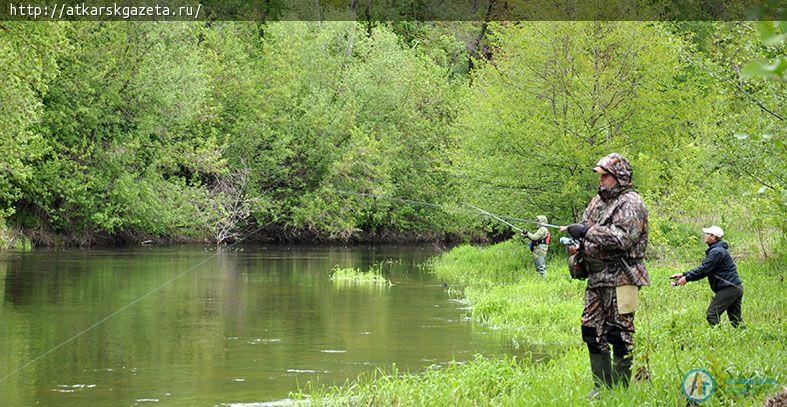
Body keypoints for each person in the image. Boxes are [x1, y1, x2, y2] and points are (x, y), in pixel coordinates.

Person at [561, 153, 650, 398]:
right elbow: (587, 231)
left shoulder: (631, 203)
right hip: (596, 278)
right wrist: (577, 242)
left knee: (619, 333)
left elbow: (621, 238)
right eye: (600, 175)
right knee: (590, 330)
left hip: (623, 277)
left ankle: (620, 390)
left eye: (606, 175)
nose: (601, 180)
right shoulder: (596, 202)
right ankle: (601, 387)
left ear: (620, 177)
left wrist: (588, 231)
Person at [670, 226, 743, 327]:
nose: (705, 236)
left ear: (713, 237)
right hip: (734, 287)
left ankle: (718, 340)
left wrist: (687, 278)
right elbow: (705, 269)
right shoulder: (717, 250)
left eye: (707, 234)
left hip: (729, 288)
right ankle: (745, 338)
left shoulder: (716, 252)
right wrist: (684, 274)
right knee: (736, 320)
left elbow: (704, 270)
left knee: (712, 315)